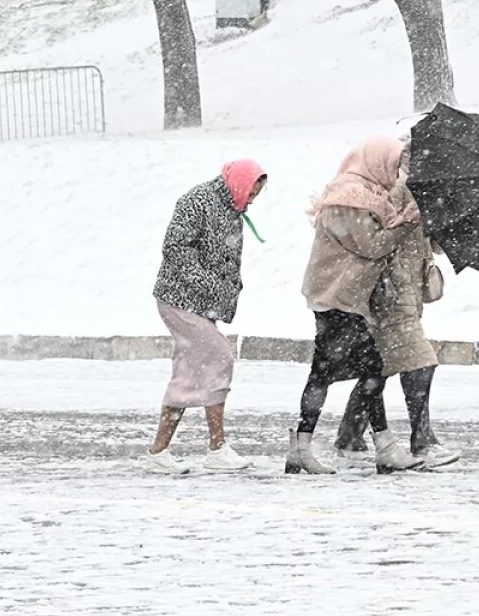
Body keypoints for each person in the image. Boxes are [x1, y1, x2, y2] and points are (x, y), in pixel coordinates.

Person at [289, 137, 422, 475]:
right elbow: (373, 245)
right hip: (336, 297)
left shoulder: (366, 196)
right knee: (367, 369)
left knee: (337, 371)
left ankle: (304, 446)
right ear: (377, 161)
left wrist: (400, 222)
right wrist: (406, 224)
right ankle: (381, 446)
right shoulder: (350, 198)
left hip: (344, 297)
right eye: (394, 164)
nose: (396, 172)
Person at [338, 150, 461, 470]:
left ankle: (350, 436)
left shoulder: (421, 188)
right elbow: (378, 237)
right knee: (421, 363)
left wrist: (440, 216)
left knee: (381, 367)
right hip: (391, 294)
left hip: (406, 291)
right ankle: (422, 443)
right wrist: (410, 218)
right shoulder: (397, 186)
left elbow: (430, 242)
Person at [146, 160, 267, 475]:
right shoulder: (197, 201)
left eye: (256, 195)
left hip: (198, 303)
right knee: (219, 356)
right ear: (239, 184)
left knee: (189, 371)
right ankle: (216, 447)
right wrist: (210, 285)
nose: (252, 200)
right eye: (251, 193)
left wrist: (227, 289)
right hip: (178, 298)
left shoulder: (231, 207)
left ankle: (160, 452)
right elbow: (175, 248)